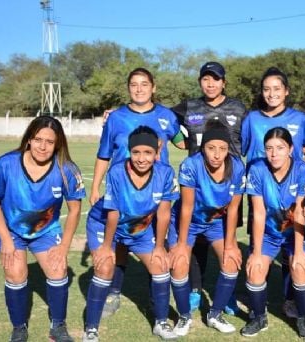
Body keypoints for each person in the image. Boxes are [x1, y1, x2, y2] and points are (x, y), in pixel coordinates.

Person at [0, 116, 85, 342]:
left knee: (58, 269)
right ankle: (19, 328)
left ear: (57, 143)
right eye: (38, 139)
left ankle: (58, 326)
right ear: (29, 139)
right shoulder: (6, 163)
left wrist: (64, 246)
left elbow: (75, 209)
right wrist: (6, 241)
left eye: (49, 141)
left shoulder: (66, 169)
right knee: (16, 272)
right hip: (9, 230)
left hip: (45, 230)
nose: (42, 146)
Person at [93, 67, 184, 318]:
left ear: (153, 87)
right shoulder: (116, 118)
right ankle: (113, 292)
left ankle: (156, 299)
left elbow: (183, 141)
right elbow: (104, 154)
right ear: (128, 88)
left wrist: (206, 130)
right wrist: (94, 187)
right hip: (123, 192)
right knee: (120, 242)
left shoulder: (166, 115)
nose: (139, 89)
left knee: (158, 242)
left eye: (145, 84)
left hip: (156, 192)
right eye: (134, 84)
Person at [82, 126, 180, 341]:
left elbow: (163, 214)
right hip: (105, 225)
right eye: (136, 152)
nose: (141, 158)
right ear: (129, 151)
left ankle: (161, 322)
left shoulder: (165, 173)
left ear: (157, 152)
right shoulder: (117, 172)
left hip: (140, 228)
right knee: (105, 267)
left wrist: (160, 247)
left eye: (147, 152)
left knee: (160, 264)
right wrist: (107, 248)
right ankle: (91, 328)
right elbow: (113, 214)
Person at [172, 61, 247, 314]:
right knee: (198, 241)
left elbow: (251, 134)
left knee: (227, 237)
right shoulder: (190, 106)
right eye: (206, 79)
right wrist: (180, 141)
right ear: (200, 82)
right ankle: (195, 288)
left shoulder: (238, 107)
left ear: (224, 82)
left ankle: (227, 294)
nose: (210, 83)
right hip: (198, 182)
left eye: (216, 79)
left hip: (228, 183)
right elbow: (164, 119)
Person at [240, 66, 305, 318]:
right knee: (259, 250)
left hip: (291, 195)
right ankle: (257, 305)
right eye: (266, 89)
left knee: (292, 252)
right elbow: (244, 151)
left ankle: (290, 299)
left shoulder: (301, 120)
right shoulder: (252, 119)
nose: (271, 94)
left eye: (277, 89)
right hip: (262, 193)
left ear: (286, 91)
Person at [166, 122, 245, 336]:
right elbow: (187, 208)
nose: (217, 154)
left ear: (228, 149)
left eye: (222, 148)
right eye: (211, 148)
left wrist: (231, 244)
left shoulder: (237, 167)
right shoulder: (191, 165)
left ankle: (215, 314)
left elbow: (234, 208)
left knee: (231, 262)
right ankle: (184, 316)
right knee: (179, 264)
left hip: (216, 223)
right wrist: (181, 244)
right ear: (203, 147)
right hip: (187, 222)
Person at [240, 127, 305, 338]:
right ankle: (258, 317)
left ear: (290, 149)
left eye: (280, 148)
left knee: (300, 268)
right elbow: (259, 212)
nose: (274, 154)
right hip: (269, 233)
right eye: (269, 148)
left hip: (296, 233)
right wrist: (255, 253)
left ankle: (303, 318)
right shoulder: (256, 170)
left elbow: (299, 212)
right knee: (254, 269)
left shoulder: (302, 170)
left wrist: (299, 251)